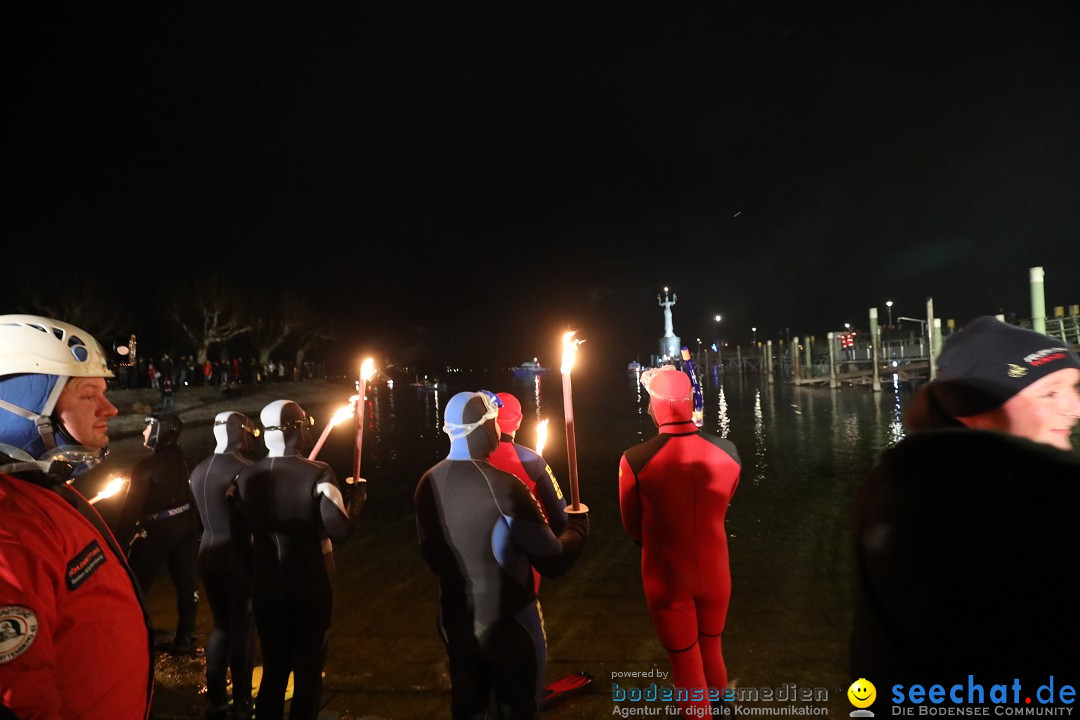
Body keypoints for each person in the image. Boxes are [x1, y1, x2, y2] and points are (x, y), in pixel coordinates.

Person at [850, 316, 1080, 689]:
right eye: (1050, 393)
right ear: (975, 409)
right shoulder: (1021, 506)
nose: (1075, 409)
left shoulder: (902, 479)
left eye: (1074, 387)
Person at [0, 314, 154, 719]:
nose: (110, 409)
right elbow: (21, 700)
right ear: (24, 407)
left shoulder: (42, 489)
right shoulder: (8, 525)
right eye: (89, 395)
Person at [414, 390, 590, 720]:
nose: (499, 430)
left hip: (455, 620)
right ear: (483, 429)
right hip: (511, 625)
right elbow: (553, 560)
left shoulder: (427, 482)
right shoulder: (506, 486)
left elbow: (430, 553)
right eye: (494, 423)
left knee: (469, 709)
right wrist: (579, 526)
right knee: (519, 710)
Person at [617, 366, 740, 717]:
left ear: (656, 404)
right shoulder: (729, 452)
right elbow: (724, 500)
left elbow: (631, 524)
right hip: (716, 569)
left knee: (686, 664)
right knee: (712, 648)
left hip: (667, 573)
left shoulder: (635, 460)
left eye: (648, 402)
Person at [234, 400, 364, 720]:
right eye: (305, 423)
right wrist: (357, 501)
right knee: (308, 673)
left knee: (275, 671)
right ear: (297, 429)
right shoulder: (319, 472)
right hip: (309, 584)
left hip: (265, 584)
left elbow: (241, 533)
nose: (309, 428)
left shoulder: (245, 477)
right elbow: (341, 530)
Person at [189, 411, 260, 720]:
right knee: (242, 626)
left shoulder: (199, 470)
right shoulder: (245, 470)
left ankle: (216, 696)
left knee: (220, 624)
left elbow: (197, 517)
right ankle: (243, 701)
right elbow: (256, 519)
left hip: (207, 551)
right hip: (237, 555)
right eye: (248, 432)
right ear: (238, 432)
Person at [118, 413, 201, 655]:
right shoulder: (186, 461)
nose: (144, 432)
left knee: (135, 583)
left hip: (157, 530)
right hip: (184, 525)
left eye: (148, 427)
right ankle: (185, 636)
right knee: (186, 581)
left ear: (161, 431)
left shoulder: (147, 467)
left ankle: (131, 634)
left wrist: (118, 542)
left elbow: (130, 510)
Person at [486, 391, 567, 594]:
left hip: (477, 562)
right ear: (519, 422)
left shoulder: (472, 458)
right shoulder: (533, 463)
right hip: (523, 563)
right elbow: (561, 516)